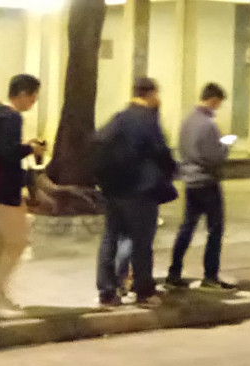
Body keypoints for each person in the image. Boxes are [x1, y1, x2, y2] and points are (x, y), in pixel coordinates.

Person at [94, 78, 177, 305]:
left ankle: (107, 291)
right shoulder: (147, 120)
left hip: (114, 190)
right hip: (140, 191)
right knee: (141, 242)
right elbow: (162, 153)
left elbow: (97, 145)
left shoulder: (118, 119)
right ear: (151, 94)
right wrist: (168, 173)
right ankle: (144, 290)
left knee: (110, 238)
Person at [0, 74, 44, 318]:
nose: (34, 102)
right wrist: (29, 148)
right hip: (5, 189)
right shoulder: (12, 117)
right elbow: (5, 153)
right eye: (33, 96)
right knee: (18, 243)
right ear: (23, 94)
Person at [168, 83, 234, 290]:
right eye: (218, 103)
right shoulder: (207, 125)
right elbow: (214, 156)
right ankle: (210, 276)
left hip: (190, 181)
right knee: (215, 229)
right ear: (213, 100)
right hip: (207, 181)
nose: (218, 107)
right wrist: (226, 145)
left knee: (187, 227)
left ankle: (174, 272)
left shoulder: (187, 121)